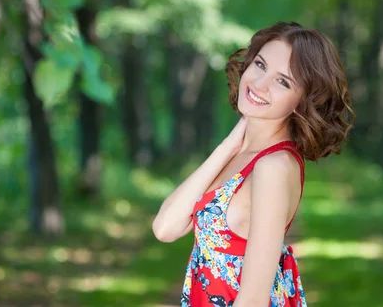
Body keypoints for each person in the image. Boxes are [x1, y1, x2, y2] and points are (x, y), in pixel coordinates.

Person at [152, 21, 354, 306]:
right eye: (260, 65)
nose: (259, 84)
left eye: (282, 81)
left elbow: (254, 300)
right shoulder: (239, 154)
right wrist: (229, 145)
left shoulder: (274, 165)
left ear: (302, 100)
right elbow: (165, 227)